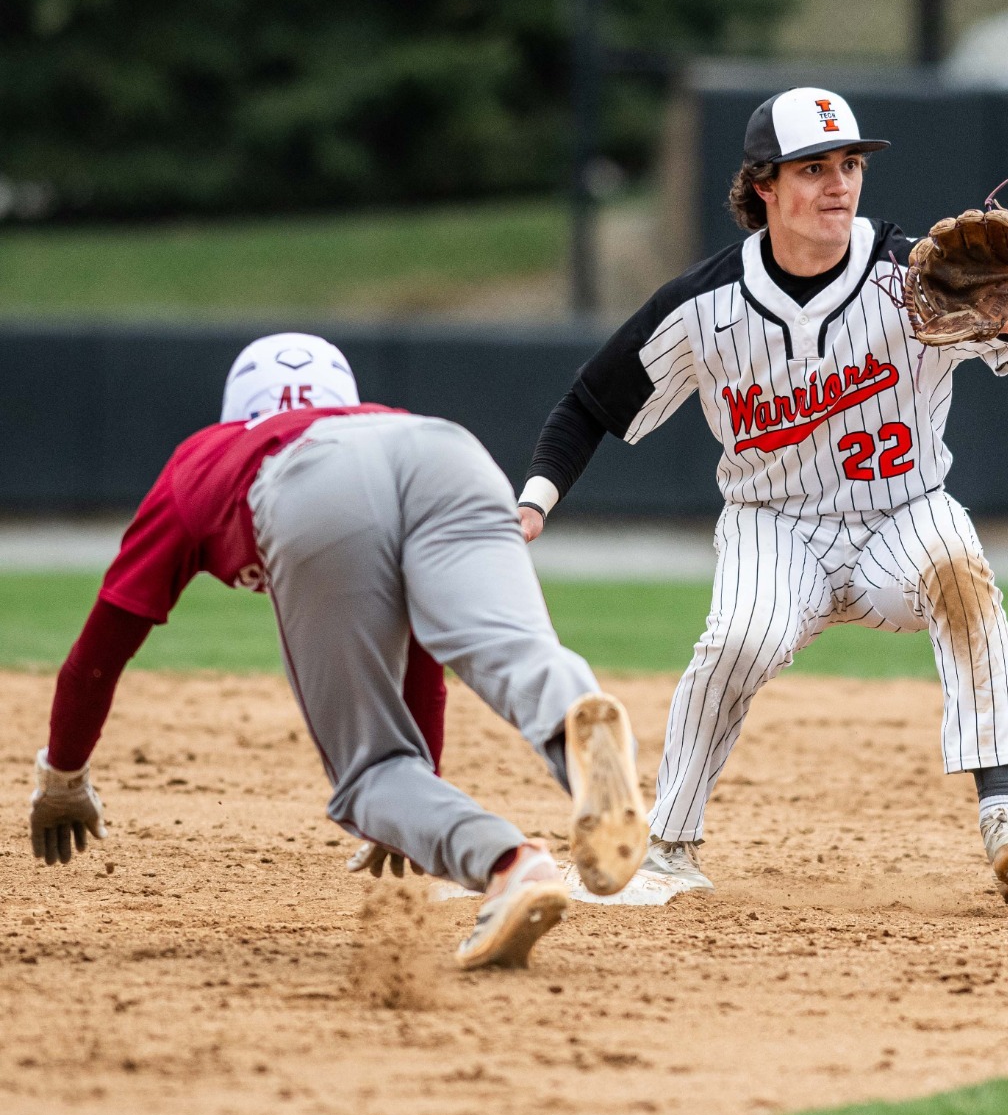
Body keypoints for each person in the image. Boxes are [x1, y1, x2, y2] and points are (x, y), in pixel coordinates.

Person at [516, 88, 1008, 905]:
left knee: (959, 572)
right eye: (814, 168)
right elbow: (589, 404)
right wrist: (536, 500)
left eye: (851, 164)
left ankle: (1004, 817)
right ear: (763, 184)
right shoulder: (703, 305)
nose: (840, 183)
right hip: (774, 524)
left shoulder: (914, 278)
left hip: (904, 511)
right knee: (739, 638)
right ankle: (670, 846)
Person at [28, 333, 648, 969]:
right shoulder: (372, 417)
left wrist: (64, 774)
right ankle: (574, 722)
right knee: (512, 649)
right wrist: (421, 792)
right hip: (446, 451)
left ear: (239, 407)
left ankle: (512, 865)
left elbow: (102, 645)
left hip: (311, 480)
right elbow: (417, 652)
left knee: (370, 775)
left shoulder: (208, 455)